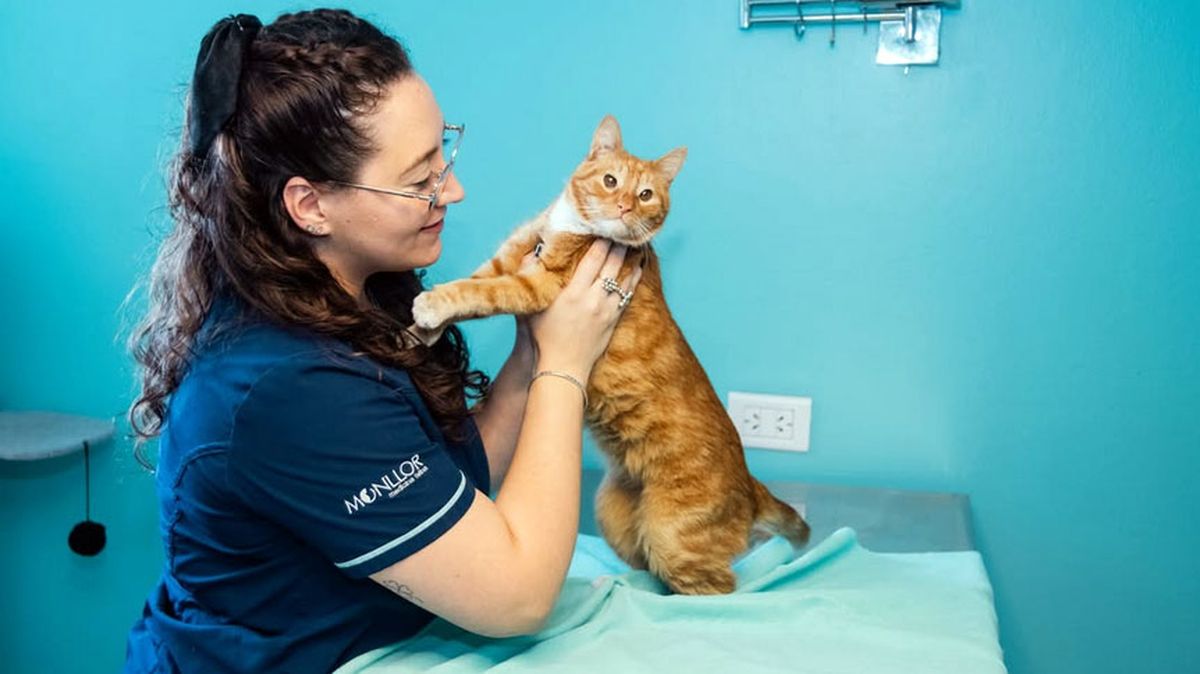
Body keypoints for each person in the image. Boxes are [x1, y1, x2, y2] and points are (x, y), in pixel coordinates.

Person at [122, 9, 641, 673]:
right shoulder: (289, 386)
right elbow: (519, 599)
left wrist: (532, 348)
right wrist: (567, 367)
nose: (453, 190)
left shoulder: (347, 292)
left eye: (444, 152)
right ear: (310, 206)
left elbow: (444, 479)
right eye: (420, 180)